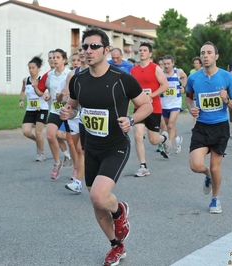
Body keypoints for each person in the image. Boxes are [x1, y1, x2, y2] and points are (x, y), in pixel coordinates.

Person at [60, 28, 152, 266]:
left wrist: (131, 119)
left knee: (99, 195)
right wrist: (67, 111)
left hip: (115, 146)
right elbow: (72, 106)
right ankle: (116, 246)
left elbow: (146, 106)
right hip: (91, 147)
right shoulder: (78, 80)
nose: (88, 52)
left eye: (94, 47)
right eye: (85, 47)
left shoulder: (122, 79)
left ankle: (120, 210)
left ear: (106, 50)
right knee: (96, 201)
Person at [186, 41, 232, 214]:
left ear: (216, 56)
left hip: (220, 127)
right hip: (201, 127)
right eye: (203, 53)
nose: (205, 55)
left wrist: (226, 100)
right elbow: (188, 97)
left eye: (209, 52)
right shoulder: (194, 78)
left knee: (216, 167)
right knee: (195, 166)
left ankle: (215, 200)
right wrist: (191, 108)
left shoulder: (226, 77)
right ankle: (207, 175)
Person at [131, 42, 170, 178]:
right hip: (139, 108)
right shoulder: (133, 70)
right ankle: (143, 166)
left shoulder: (155, 68)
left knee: (153, 140)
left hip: (154, 108)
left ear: (150, 54)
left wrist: (151, 95)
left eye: (144, 50)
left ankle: (164, 138)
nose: (141, 52)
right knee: (137, 134)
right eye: (140, 50)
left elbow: (165, 85)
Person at [43, 49, 72, 179]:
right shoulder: (49, 75)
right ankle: (57, 162)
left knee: (72, 140)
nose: (54, 59)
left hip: (69, 110)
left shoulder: (69, 74)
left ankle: (76, 166)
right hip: (55, 110)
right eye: (53, 57)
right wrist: (48, 95)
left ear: (64, 60)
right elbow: (49, 90)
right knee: (50, 135)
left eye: (57, 57)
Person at [64, 44, 88, 194]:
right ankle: (79, 181)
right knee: (78, 149)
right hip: (78, 115)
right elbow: (69, 97)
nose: (82, 52)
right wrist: (67, 107)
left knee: (82, 149)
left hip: (95, 117)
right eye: (80, 50)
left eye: (84, 49)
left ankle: (80, 181)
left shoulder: (97, 72)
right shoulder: (73, 75)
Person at [19, 55, 48, 161]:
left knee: (38, 132)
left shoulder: (42, 80)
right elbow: (23, 90)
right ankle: (38, 141)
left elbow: (45, 92)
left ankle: (41, 154)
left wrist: (46, 95)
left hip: (42, 109)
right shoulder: (25, 80)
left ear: (38, 68)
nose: (31, 70)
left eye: (33, 68)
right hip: (30, 109)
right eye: (29, 68)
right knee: (26, 131)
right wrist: (21, 100)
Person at [160, 54, 186, 154]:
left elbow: (185, 77)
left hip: (175, 102)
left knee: (170, 125)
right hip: (164, 103)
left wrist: (183, 86)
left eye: (168, 64)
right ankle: (178, 139)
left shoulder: (178, 72)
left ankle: (168, 147)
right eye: (164, 64)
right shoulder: (160, 73)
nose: (166, 66)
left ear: (173, 63)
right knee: (167, 125)